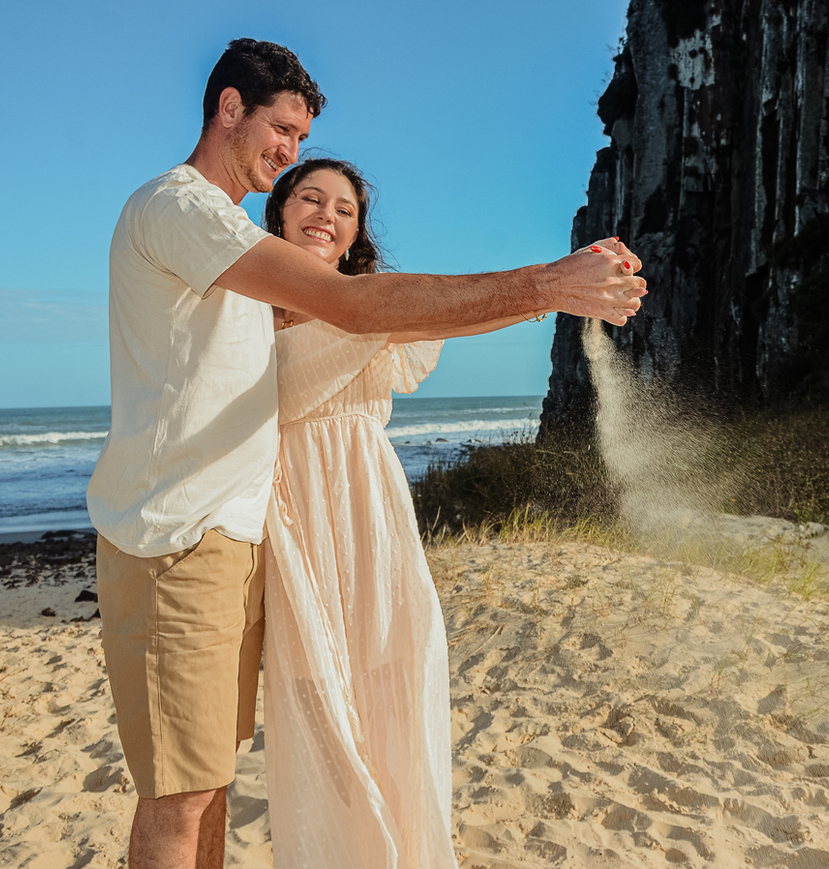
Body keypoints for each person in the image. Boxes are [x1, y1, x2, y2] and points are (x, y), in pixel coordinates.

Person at [85, 38, 646, 868]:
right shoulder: (180, 209)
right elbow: (354, 308)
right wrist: (545, 286)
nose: (289, 152)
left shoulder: (232, 242)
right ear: (228, 107)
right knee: (179, 794)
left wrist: (545, 291)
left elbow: (375, 314)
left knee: (207, 785)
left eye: (303, 141)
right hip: (177, 539)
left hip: (232, 539)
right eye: (282, 130)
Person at [263, 157, 536, 867]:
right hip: (292, 523)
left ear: (355, 232)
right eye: (311, 199)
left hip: (370, 516)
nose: (325, 215)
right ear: (281, 210)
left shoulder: (375, 303)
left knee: (395, 690)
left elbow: (461, 309)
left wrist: (553, 296)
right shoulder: (243, 308)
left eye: (344, 209)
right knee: (316, 708)